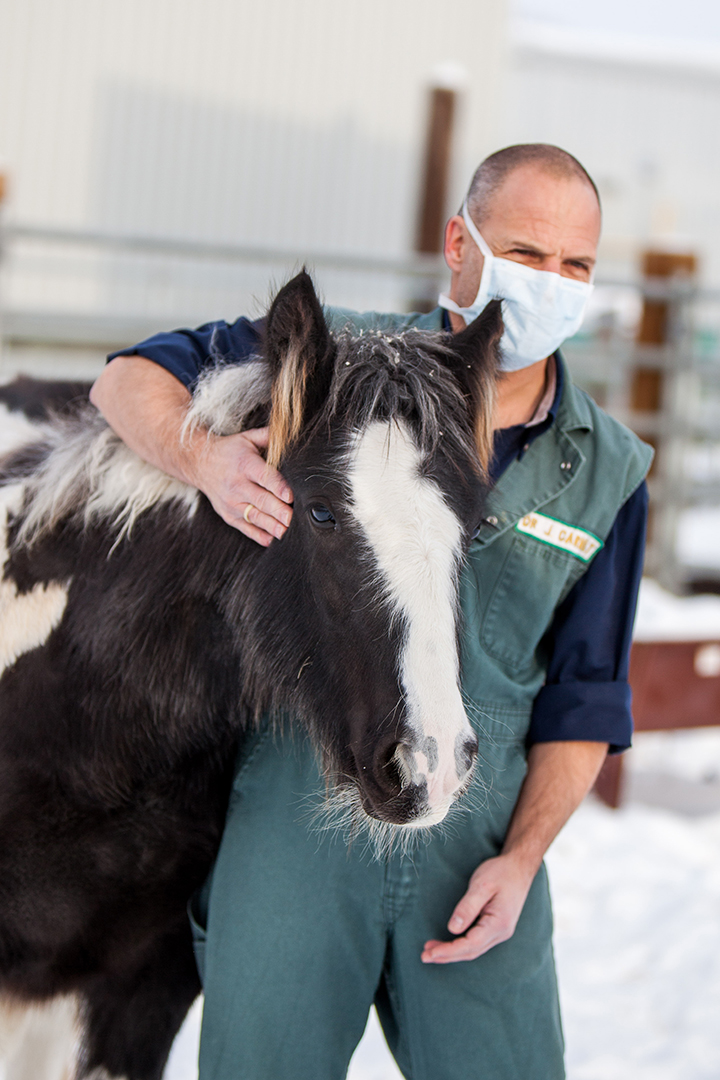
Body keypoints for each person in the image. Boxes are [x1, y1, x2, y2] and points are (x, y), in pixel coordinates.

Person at [90, 144, 652, 1079]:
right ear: (459, 245)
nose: (550, 284)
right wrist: (207, 459)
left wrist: (521, 863)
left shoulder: (607, 470)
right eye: (526, 252)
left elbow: (586, 698)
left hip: (475, 844)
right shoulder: (328, 363)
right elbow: (125, 381)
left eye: (576, 265)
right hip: (296, 819)